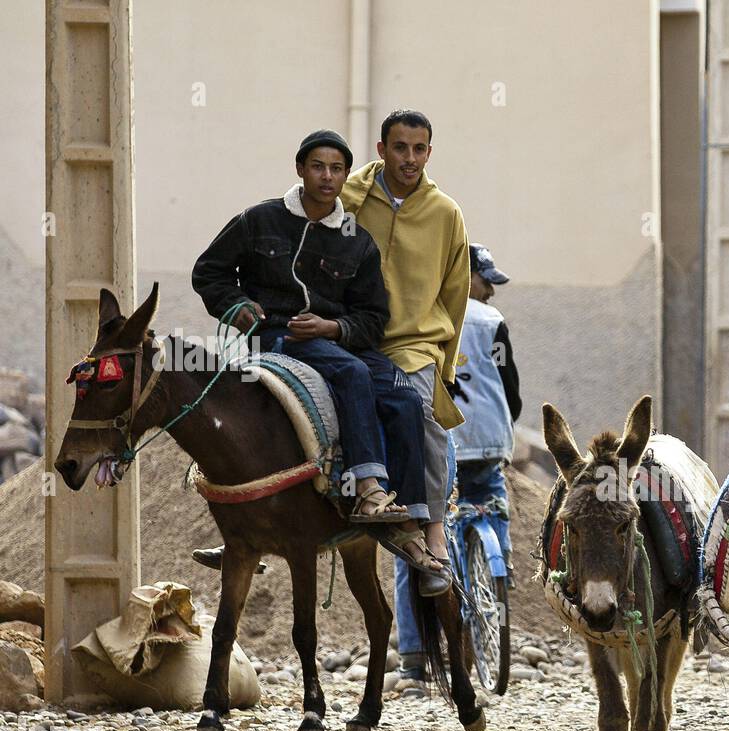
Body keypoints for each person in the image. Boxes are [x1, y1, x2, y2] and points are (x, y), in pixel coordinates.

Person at [190, 130, 443, 576]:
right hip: (275, 338)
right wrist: (235, 306)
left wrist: (334, 326)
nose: (327, 177)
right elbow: (209, 272)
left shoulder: (355, 241)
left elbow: (372, 317)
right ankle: (368, 487)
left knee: (407, 398)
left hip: (334, 340)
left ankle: (410, 521)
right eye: (318, 167)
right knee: (349, 374)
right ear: (300, 169)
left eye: (337, 168)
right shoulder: (258, 220)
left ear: (346, 175)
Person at [342, 109, 470, 612]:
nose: (409, 159)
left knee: (424, 419)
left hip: (414, 343)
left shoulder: (446, 213)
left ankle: (433, 531)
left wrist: (446, 364)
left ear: (429, 153)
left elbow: (456, 295)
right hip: (350, 336)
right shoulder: (348, 195)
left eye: (419, 150)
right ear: (381, 149)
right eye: (400, 148)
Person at [450, 244, 522, 583]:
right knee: (493, 499)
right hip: (490, 439)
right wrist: (510, 417)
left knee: (437, 516)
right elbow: (508, 380)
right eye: (486, 281)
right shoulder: (492, 322)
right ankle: (499, 574)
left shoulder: (431, 315)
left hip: (447, 440)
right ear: (466, 277)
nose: (491, 291)